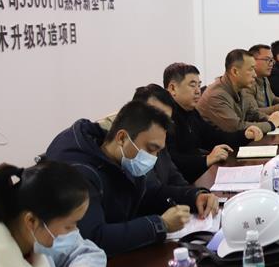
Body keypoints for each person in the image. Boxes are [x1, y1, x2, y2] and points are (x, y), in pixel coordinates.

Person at [46, 100, 219, 255]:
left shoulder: (121, 159)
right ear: (122, 138)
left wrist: (194, 196)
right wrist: (160, 225)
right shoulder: (80, 173)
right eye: (150, 149)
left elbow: (150, 193)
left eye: (158, 151)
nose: (154, 158)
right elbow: (95, 238)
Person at [163, 63, 263, 184]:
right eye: (192, 85)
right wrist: (207, 160)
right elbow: (171, 161)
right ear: (173, 88)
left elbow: (214, 136)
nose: (198, 91)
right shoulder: (165, 117)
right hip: (180, 184)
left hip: (194, 177)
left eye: (199, 85)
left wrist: (245, 135)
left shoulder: (191, 112)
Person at [198, 49, 279, 135]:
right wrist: (271, 124)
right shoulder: (216, 95)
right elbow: (236, 127)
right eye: (251, 69)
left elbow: (252, 113)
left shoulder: (241, 88)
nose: (255, 75)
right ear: (235, 72)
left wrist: (269, 118)